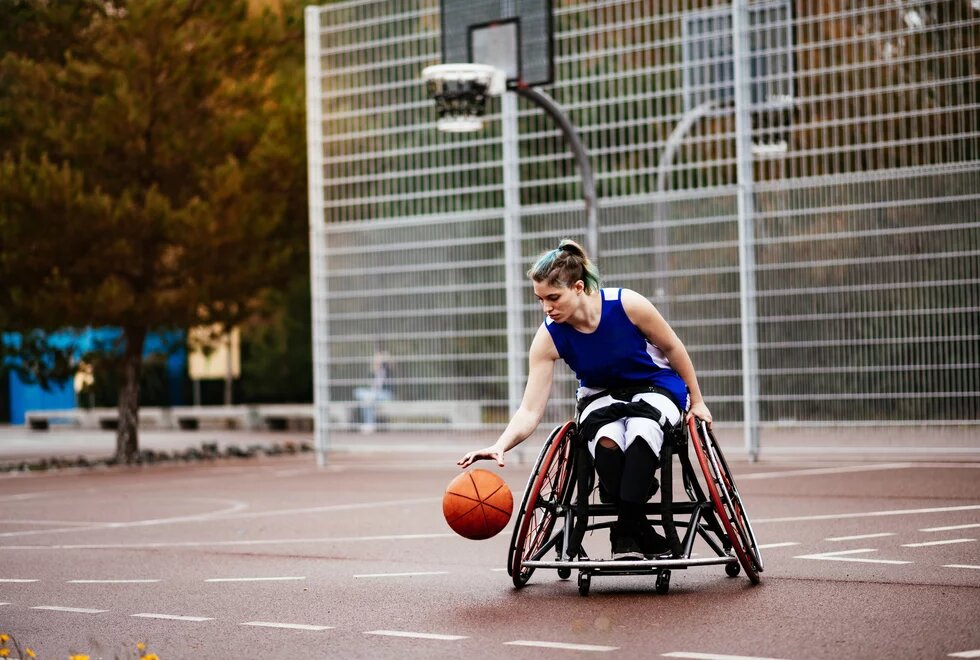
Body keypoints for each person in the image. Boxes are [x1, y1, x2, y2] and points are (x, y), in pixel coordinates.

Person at [458, 239, 712, 560]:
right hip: (601, 394)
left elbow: (674, 348)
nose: (547, 308)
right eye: (540, 299)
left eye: (553, 297)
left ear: (578, 287)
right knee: (605, 439)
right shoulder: (549, 336)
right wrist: (500, 444)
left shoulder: (627, 304)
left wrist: (698, 400)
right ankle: (635, 524)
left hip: (654, 386)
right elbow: (530, 409)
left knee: (642, 431)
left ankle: (626, 532)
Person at [354, 346, 392, 433]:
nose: (376, 360)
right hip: (373, 394)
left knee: (368, 399)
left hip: (385, 394)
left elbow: (391, 363)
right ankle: (369, 423)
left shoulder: (387, 370)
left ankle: (369, 424)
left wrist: (384, 356)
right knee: (359, 392)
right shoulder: (373, 373)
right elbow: (370, 386)